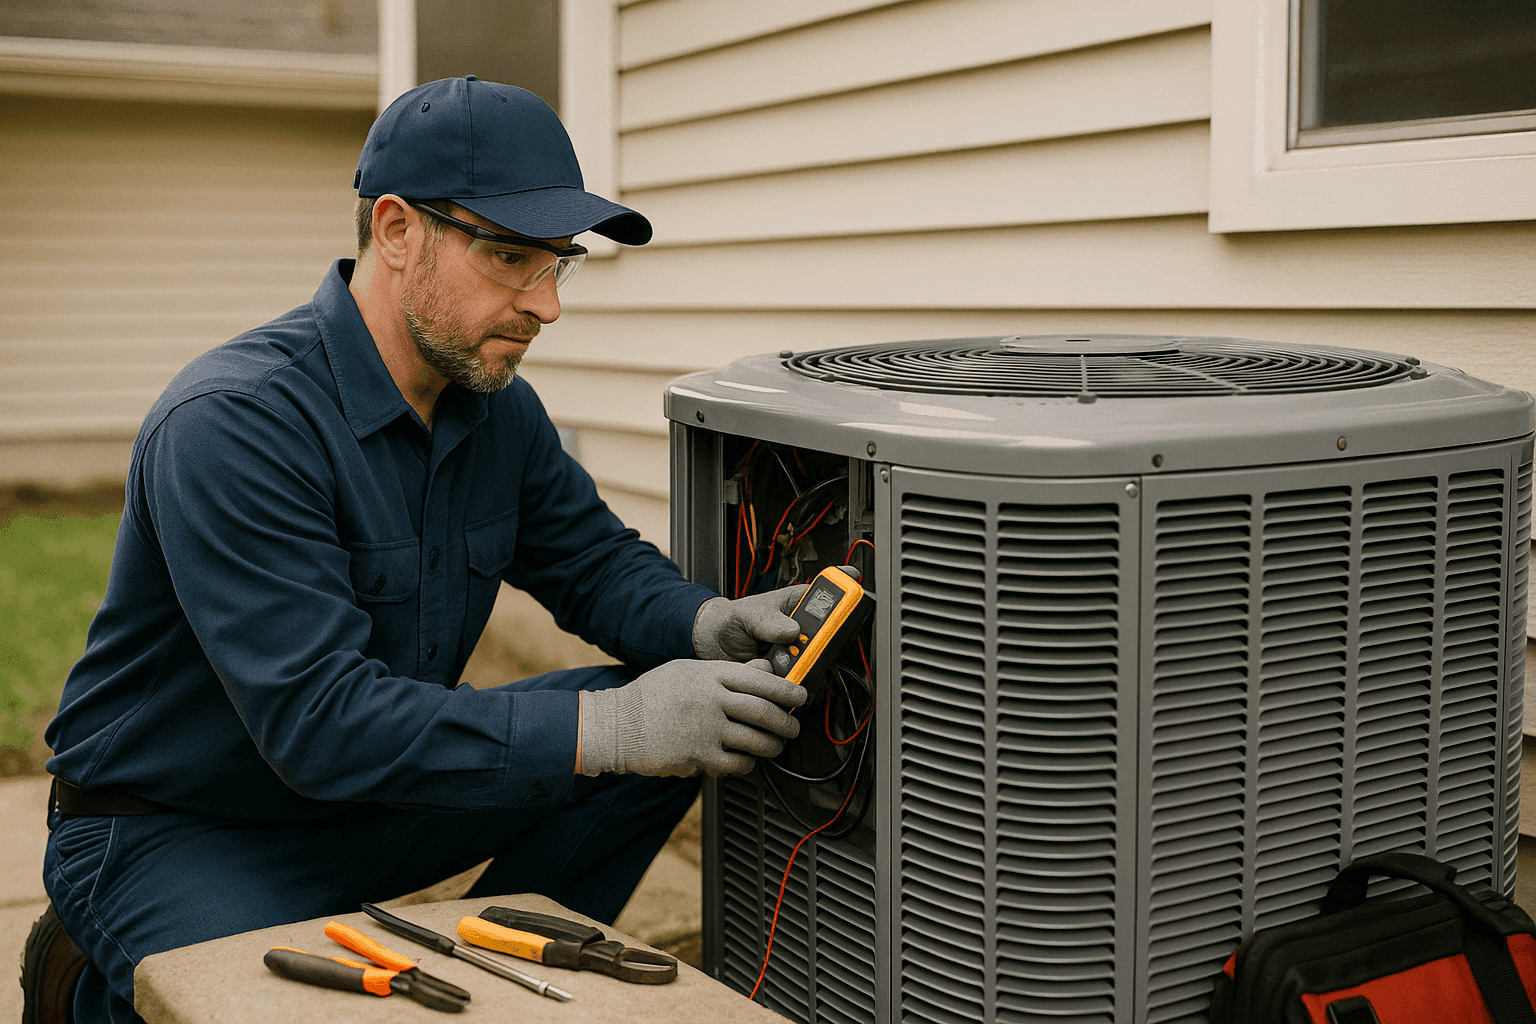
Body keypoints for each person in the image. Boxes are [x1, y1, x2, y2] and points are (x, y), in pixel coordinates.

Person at [28, 76, 813, 1023]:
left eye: (555, 264)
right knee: (292, 1008)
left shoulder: (493, 406)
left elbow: (592, 562)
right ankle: (93, 983)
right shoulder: (235, 424)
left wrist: (704, 624)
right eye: (510, 257)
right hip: (179, 828)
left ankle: (507, 972)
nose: (546, 306)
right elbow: (322, 722)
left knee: (689, 726)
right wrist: (614, 731)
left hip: (376, 797)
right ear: (398, 233)